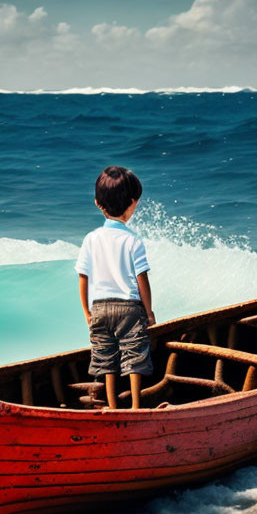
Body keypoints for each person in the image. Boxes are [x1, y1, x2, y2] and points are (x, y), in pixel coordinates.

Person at [76, 166, 155, 409]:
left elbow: (83, 277)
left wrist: (87, 312)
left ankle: (111, 407)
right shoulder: (133, 240)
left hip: (98, 307)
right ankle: (135, 406)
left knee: (105, 358)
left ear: (98, 203)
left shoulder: (91, 238)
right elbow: (142, 279)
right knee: (134, 355)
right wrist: (149, 313)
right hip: (129, 308)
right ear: (133, 203)